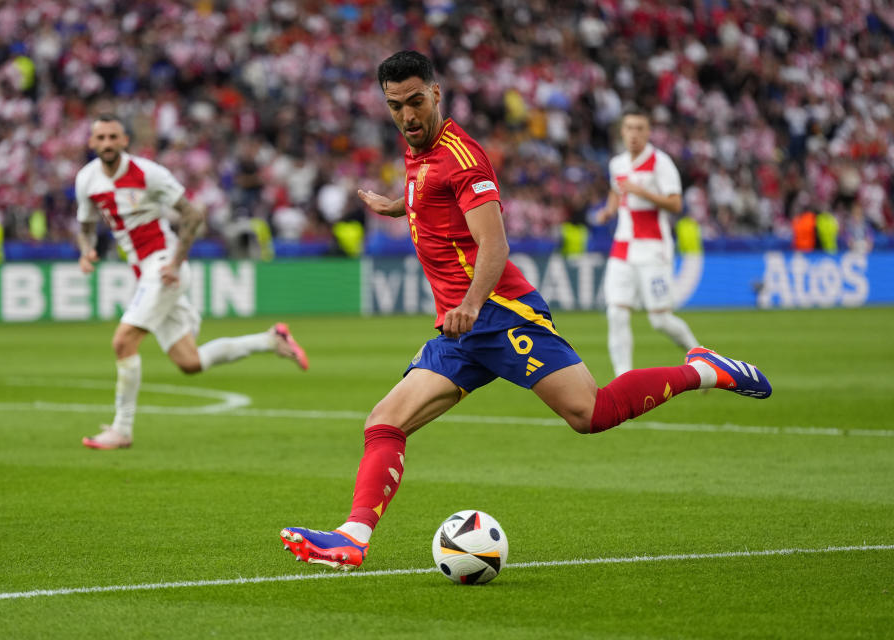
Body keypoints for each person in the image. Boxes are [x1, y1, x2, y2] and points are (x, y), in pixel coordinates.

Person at [278, 51, 771, 571]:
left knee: (590, 414)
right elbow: (431, 191)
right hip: (459, 328)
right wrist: (398, 205)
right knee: (384, 421)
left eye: (416, 102)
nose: (408, 116)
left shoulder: (464, 158)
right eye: (395, 106)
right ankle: (352, 538)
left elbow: (495, 246)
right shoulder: (417, 149)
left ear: (437, 93)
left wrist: (471, 304)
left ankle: (703, 371)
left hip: (499, 313)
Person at [74, 114, 309, 450]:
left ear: (125, 140)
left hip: (163, 265)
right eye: (102, 138)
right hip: (144, 270)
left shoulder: (148, 173)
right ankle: (271, 341)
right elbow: (85, 224)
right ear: (92, 143)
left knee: (123, 341)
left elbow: (193, 213)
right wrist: (86, 251)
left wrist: (175, 261)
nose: (108, 144)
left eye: (114, 137)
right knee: (189, 362)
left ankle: (121, 429)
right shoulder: (87, 179)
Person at [596, 108, 700, 377]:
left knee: (660, 320)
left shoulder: (660, 163)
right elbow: (615, 191)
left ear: (648, 132)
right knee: (616, 313)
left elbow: (676, 203)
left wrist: (643, 192)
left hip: (652, 247)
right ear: (622, 131)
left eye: (640, 128)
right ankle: (623, 377)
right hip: (622, 246)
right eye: (629, 128)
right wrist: (609, 209)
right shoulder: (617, 164)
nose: (634, 134)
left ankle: (700, 356)